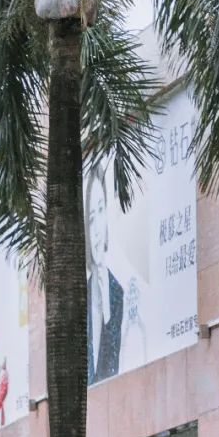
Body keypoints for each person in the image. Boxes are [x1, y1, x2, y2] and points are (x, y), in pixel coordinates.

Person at [85, 164, 125, 384]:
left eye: (101, 210)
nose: (97, 231)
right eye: (91, 219)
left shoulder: (117, 292)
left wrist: (107, 308)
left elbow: (112, 367)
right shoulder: (80, 300)